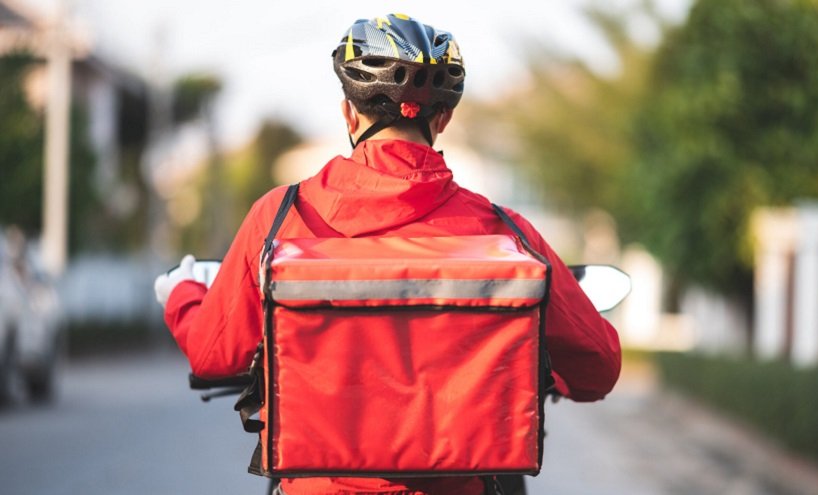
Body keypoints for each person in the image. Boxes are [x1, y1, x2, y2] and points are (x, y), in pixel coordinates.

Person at [155, 14, 621, 495]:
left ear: (349, 115)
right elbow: (598, 370)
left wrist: (182, 294)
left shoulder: (279, 217)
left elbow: (213, 357)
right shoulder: (506, 232)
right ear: (444, 119)